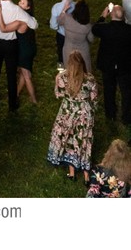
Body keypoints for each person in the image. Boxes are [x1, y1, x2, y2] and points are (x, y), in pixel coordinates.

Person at [47, 50, 98, 182]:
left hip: (68, 112)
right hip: (85, 115)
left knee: (69, 139)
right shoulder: (90, 80)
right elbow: (94, 98)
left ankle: (72, 172)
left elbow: (58, 94)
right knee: (84, 141)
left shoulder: (61, 78)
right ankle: (86, 176)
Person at [0, 0, 37, 111]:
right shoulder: (17, 10)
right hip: (11, 44)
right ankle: (12, 104)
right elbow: (34, 24)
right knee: (11, 74)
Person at [91, 3, 131, 123]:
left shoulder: (105, 29)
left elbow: (94, 28)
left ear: (111, 14)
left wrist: (102, 16)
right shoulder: (129, 30)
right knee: (127, 92)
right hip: (126, 66)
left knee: (109, 90)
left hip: (107, 66)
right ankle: (127, 117)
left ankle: (111, 114)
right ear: (123, 16)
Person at [0, 0, 38, 104]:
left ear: (28, 7)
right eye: (20, 1)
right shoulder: (29, 18)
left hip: (24, 51)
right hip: (31, 48)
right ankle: (16, 93)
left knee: (26, 75)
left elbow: (4, 28)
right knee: (23, 74)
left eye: (22, 3)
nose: (19, 3)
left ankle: (33, 100)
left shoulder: (20, 21)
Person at [59, 0, 95, 71]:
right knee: (85, 71)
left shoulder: (67, 18)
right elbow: (91, 39)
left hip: (68, 49)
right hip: (83, 51)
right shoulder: (88, 26)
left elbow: (59, 21)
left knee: (69, 70)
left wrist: (64, 10)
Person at [50, 0, 75, 67]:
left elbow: (53, 25)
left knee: (60, 56)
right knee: (74, 57)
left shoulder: (56, 7)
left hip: (61, 36)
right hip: (75, 36)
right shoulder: (77, 6)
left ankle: (61, 75)